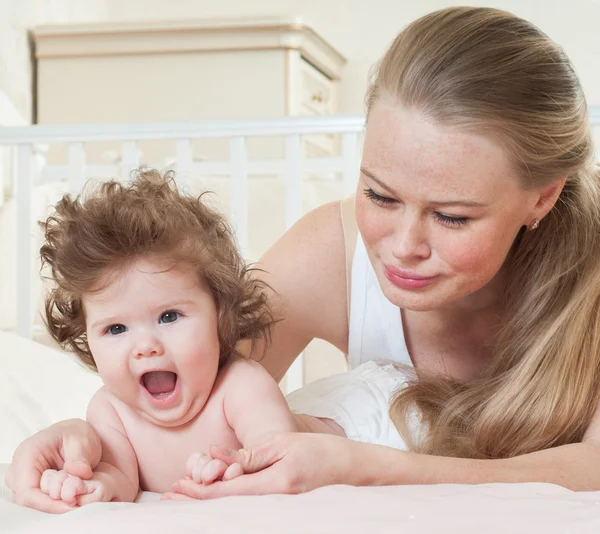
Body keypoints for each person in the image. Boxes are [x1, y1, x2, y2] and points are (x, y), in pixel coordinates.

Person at [8, 5, 600, 508]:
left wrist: (362, 468)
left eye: (452, 216)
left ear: (541, 197)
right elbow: (186, 401)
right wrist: (86, 441)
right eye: (379, 195)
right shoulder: (328, 254)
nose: (402, 247)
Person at [13, 169, 411, 510]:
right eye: (116, 329)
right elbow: (122, 479)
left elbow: (279, 458)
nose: (145, 345)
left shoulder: (241, 387)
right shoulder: (110, 410)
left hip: (374, 422)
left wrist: (232, 465)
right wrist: (90, 487)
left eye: (169, 316)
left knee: (434, 431)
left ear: (220, 314)